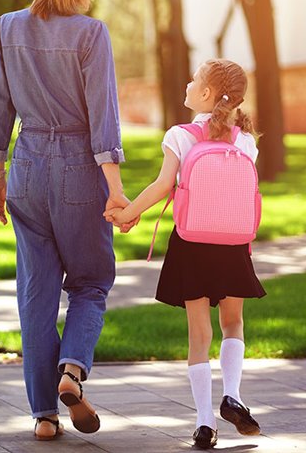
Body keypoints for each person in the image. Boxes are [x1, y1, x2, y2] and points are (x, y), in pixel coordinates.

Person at [0, 0, 137, 441]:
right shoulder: (91, 34)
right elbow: (103, 120)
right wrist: (115, 189)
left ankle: (44, 414)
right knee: (91, 283)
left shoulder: (7, 28)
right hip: (78, 170)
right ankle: (72, 371)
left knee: (37, 294)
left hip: (25, 167)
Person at [104, 59, 266, 449]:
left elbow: (163, 185)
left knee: (199, 335)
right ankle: (233, 395)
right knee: (233, 324)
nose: (187, 84)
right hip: (232, 245)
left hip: (192, 244)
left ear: (207, 94)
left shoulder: (180, 135)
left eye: (193, 80)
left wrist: (127, 214)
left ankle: (205, 422)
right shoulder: (246, 141)